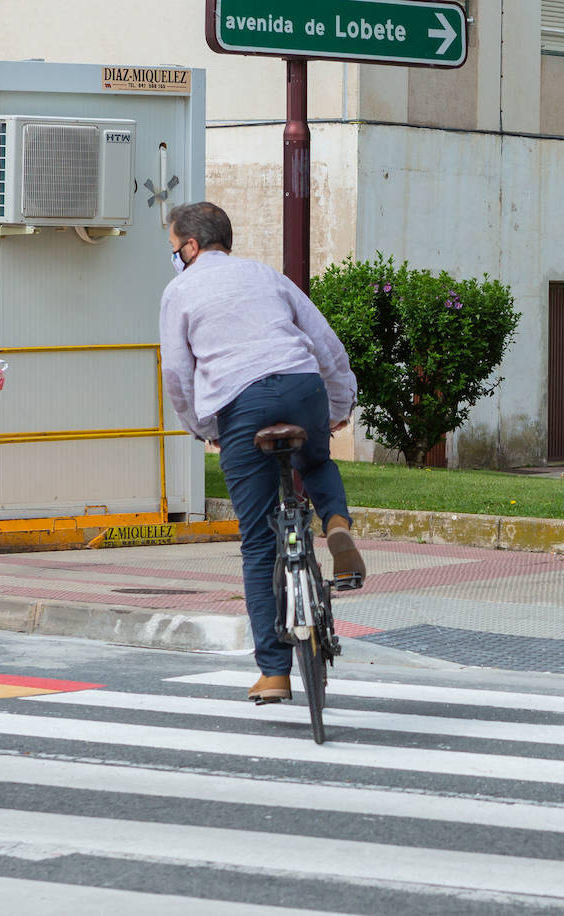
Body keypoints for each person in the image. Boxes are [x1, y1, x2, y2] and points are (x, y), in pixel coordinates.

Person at [158, 201, 366, 702]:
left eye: (173, 250)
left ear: (190, 246)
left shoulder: (180, 290)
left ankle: (274, 673)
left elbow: (177, 373)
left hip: (240, 404)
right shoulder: (266, 275)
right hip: (301, 384)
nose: (174, 259)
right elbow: (326, 344)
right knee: (315, 461)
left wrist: (201, 426)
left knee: (257, 542)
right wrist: (338, 406)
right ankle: (336, 523)